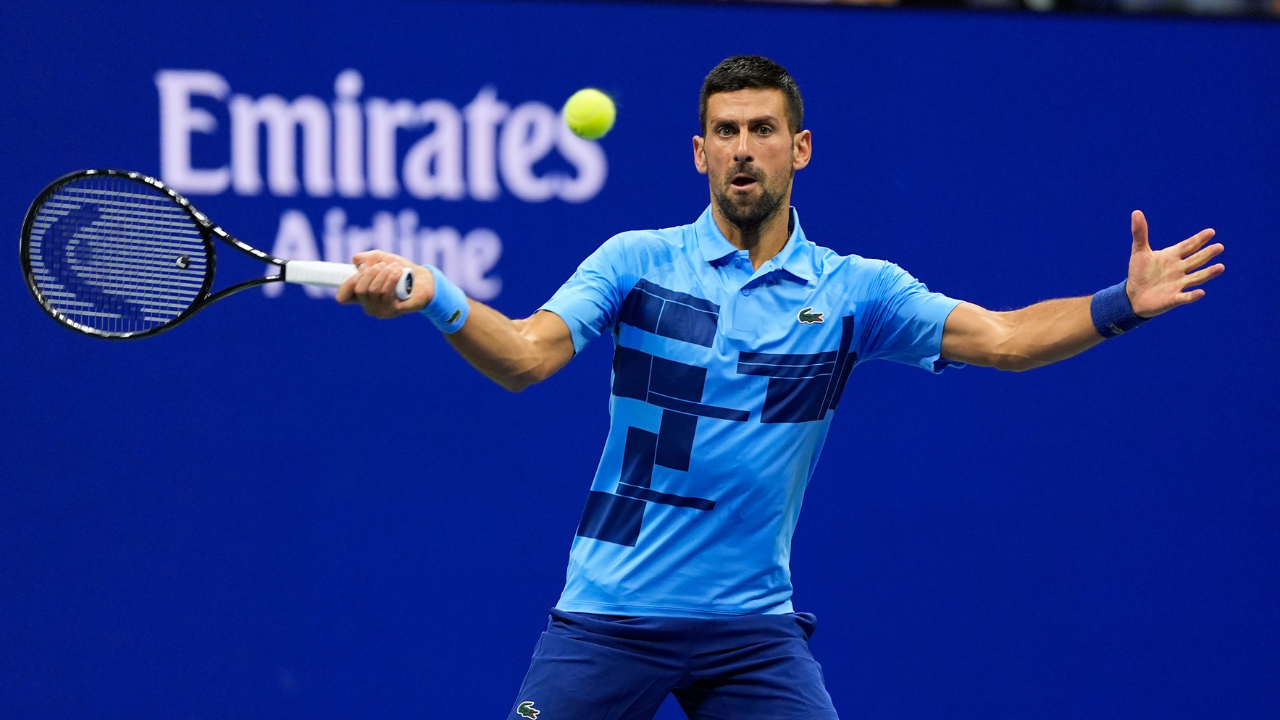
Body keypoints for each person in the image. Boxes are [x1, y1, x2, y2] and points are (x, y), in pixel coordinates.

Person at [336, 55, 1224, 720]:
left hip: (750, 634)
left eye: (762, 130)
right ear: (699, 153)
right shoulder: (635, 262)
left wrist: (1120, 304)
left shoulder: (855, 291)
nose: (743, 150)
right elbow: (526, 355)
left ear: (799, 148)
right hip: (610, 616)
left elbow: (1003, 339)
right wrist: (435, 294)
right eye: (725, 132)